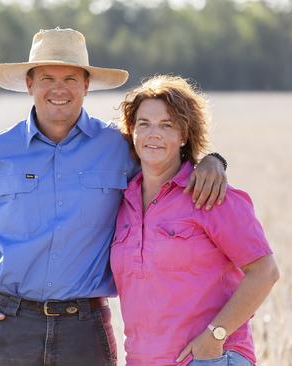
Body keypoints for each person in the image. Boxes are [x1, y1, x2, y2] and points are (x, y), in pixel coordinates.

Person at [0, 28, 228, 366]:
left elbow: (169, 170)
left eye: (71, 79)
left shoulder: (119, 147)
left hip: (84, 330)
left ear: (86, 85)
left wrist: (212, 160)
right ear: (29, 84)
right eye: (47, 78)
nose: (59, 89)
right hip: (10, 325)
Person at [112, 75, 279, 365]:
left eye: (167, 125)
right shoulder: (122, 201)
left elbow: (265, 272)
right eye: (144, 124)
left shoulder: (210, 195)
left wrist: (214, 337)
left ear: (184, 135)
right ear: (132, 132)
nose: (154, 134)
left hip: (207, 359)